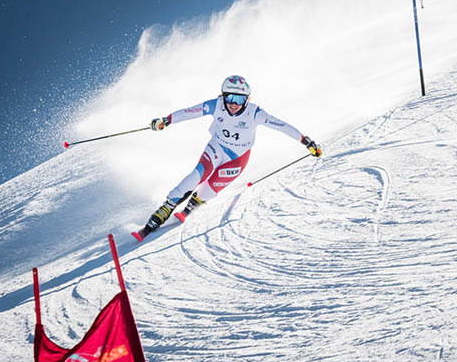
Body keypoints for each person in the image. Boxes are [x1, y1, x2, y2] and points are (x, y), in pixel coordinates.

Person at [132, 75, 322, 242]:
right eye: (229, 97)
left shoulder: (256, 113)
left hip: (237, 159)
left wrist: (307, 142)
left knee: (209, 190)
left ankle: (192, 205)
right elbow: (190, 112)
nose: (233, 103)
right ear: (223, 95)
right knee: (197, 175)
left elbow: (282, 126)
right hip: (216, 147)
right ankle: (165, 209)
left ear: (247, 99)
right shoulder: (216, 105)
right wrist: (166, 120)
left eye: (239, 99)